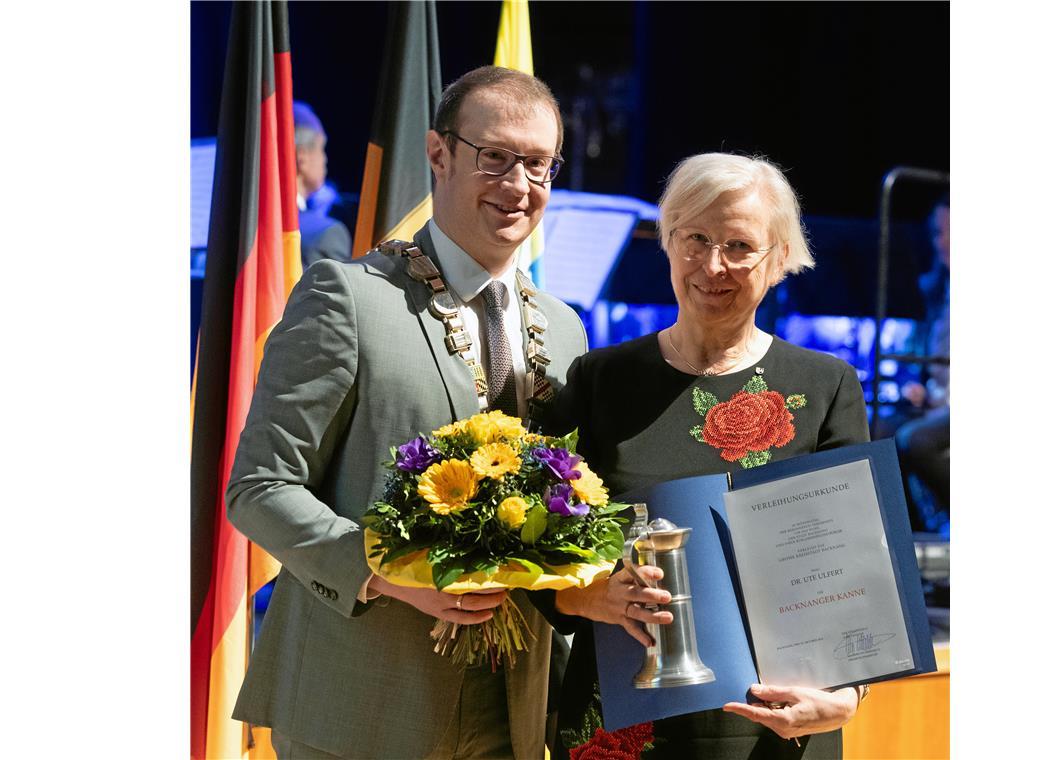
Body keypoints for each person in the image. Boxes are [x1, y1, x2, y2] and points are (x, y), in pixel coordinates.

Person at [227, 66, 587, 759]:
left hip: (515, 711)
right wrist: (389, 572)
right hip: (364, 708)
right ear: (438, 152)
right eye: (496, 158)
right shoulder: (348, 297)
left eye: (539, 165)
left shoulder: (566, 329)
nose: (519, 186)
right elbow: (258, 487)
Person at [536, 153, 871, 759]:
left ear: (778, 263)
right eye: (696, 239)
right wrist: (586, 595)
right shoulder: (598, 381)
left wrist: (847, 693)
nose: (714, 266)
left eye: (741, 245)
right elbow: (535, 554)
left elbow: (856, 574)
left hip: (776, 727)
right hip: (622, 727)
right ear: (667, 242)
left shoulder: (826, 387)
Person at [897, 196, 950, 531]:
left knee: (916, 439)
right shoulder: (940, 293)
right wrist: (919, 388)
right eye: (937, 233)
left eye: (951, 232)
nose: (942, 241)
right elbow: (925, 356)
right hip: (940, 401)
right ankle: (903, 533)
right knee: (876, 432)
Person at [293, 100, 353, 268]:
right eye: (321, 148)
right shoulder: (325, 235)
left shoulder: (240, 229)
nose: (324, 159)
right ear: (302, 158)